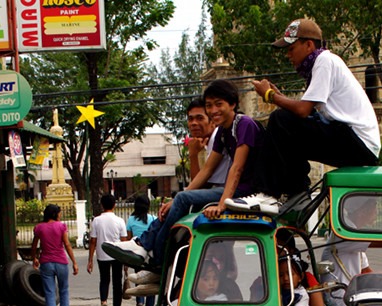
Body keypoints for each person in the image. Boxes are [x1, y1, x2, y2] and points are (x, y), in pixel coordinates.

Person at [226, 18, 381, 215]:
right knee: (287, 127)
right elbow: (306, 113)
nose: (288, 55)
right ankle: (297, 193)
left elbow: (302, 110)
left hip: (358, 143)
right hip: (352, 141)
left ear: (308, 45)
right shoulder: (320, 66)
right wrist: (279, 96)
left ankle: (266, 194)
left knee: (279, 120)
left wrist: (270, 96)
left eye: (291, 49)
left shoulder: (325, 61)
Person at [104, 81, 263, 268]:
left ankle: (155, 258)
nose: (213, 110)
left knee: (182, 200)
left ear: (233, 104)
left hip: (246, 193)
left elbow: (237, 168)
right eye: (209, 105)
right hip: (230, 190)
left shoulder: (244, 124)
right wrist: (179, 198)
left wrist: (222, 205)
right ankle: (147, 247)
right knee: (179, 200)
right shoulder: (222, 131)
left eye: (219, 104)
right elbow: (207, 169)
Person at [32, 204, 79, 306]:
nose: (60, 215)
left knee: (49, 292)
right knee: (63, 290)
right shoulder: (61, 226)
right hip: (61, 262)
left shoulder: (39, 228)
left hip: (46, 263)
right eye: (59, 213)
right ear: (55, 214)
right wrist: (74, 262)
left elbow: (34, 245)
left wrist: (34, 258)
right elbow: (67, 244)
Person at [87, 194, 128, 306]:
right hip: (116, 255)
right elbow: (124, 241)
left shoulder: (96, 221)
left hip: (102, 254)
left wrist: (90, 260)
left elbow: (93, 241)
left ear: (102, 205)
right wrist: (126, 259)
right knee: (117, 283)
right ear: (114, 205)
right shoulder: (120, 221)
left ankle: (104, 301)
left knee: (104, 279)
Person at [124, 195, 158, 306]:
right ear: (148, 206)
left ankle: (139, 301)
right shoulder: (153, 218)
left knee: (138, 277)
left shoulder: (131, 220)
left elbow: (128, 238)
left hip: (136, 253)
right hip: (149, 254)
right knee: (150, 279)